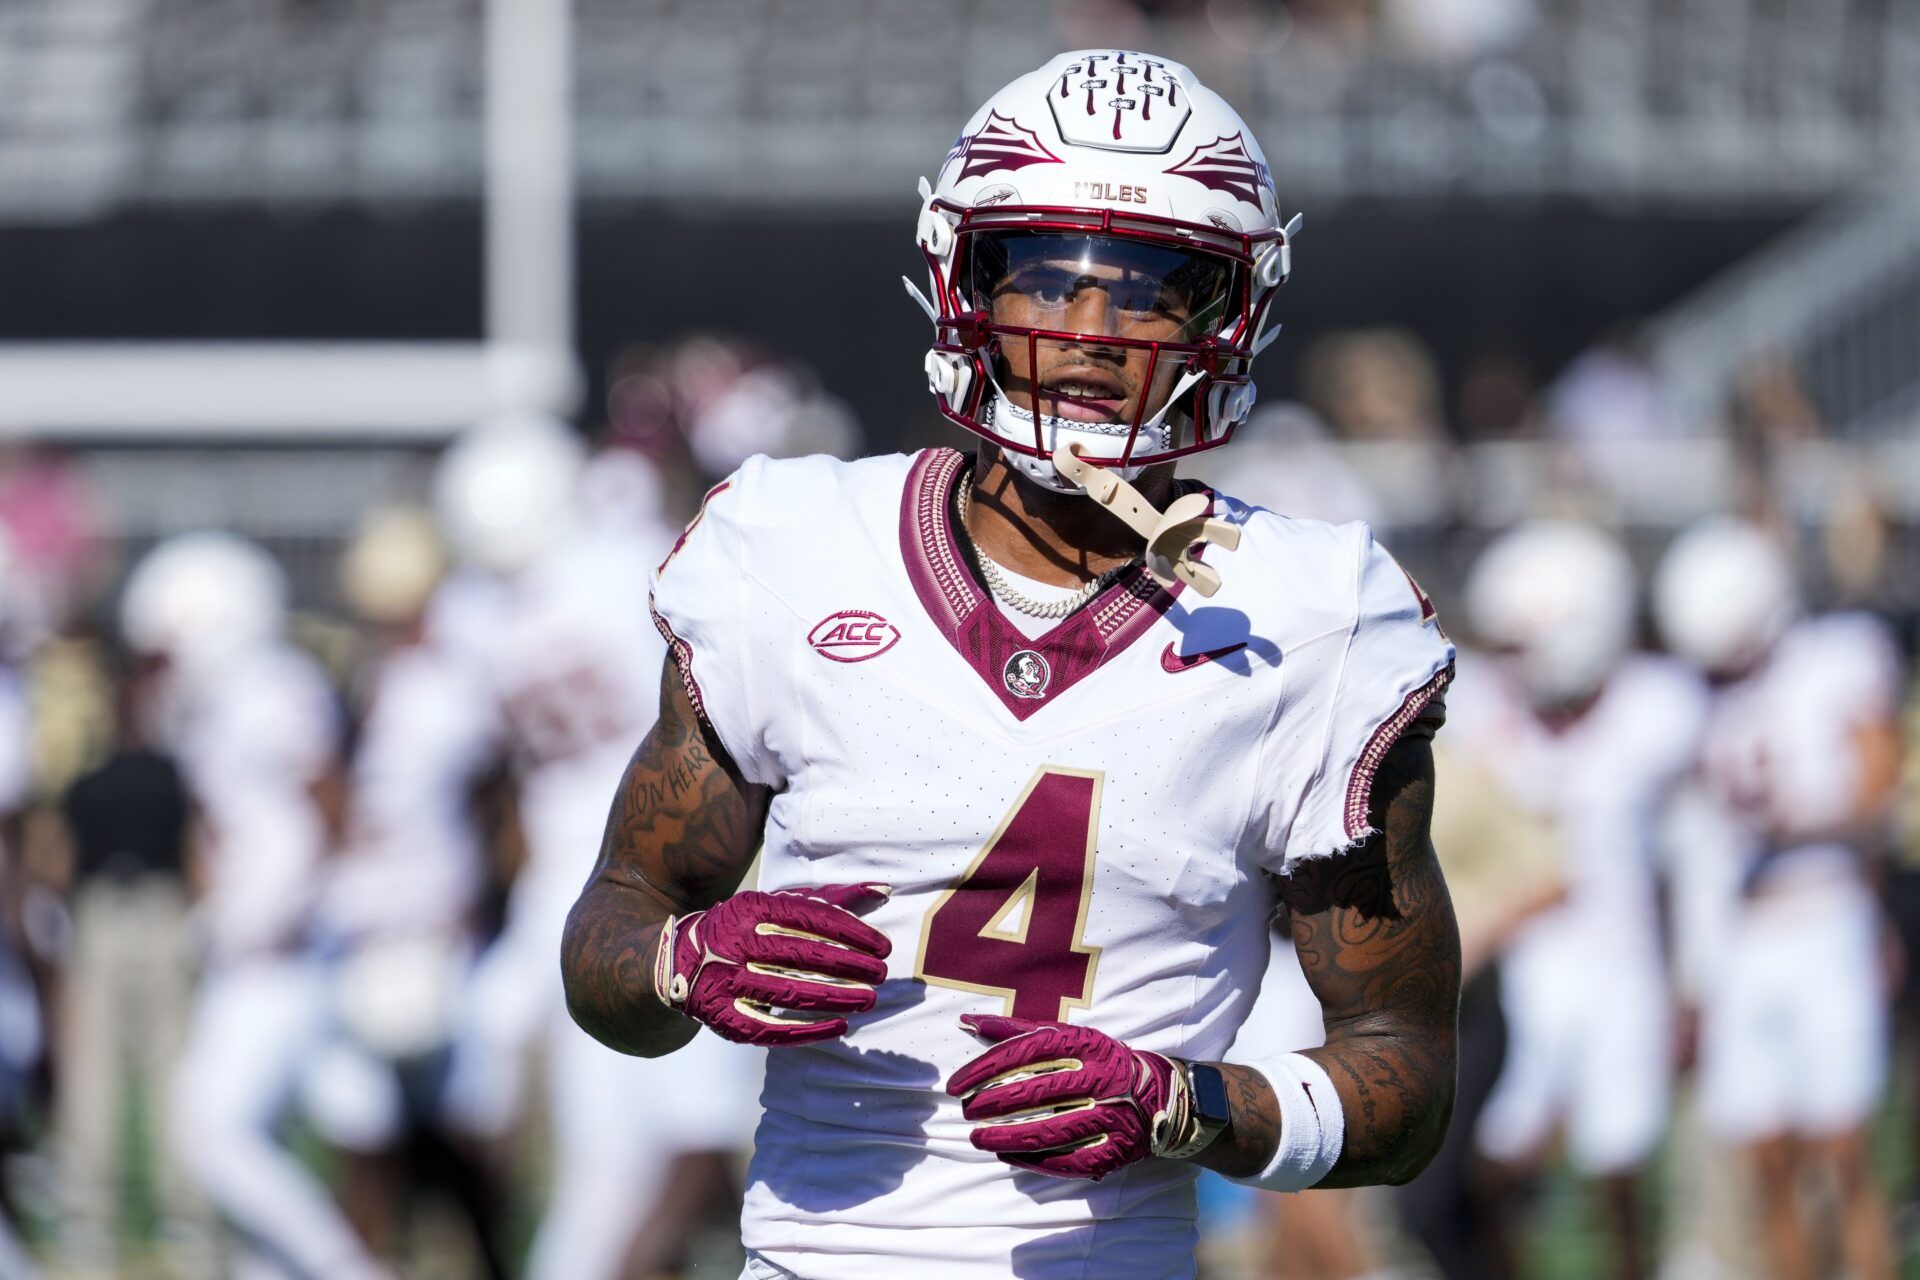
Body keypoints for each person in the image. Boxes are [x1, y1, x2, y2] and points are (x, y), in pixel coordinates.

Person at [563, 49, 1461, 1279]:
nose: (1090, 334)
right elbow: (611, 931)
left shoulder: (1309, 621)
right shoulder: (789, 551)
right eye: (1046, 277)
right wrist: (682, 961)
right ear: (963, 280)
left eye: (1149, 289)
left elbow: (1403, 1071)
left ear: (1226, 315)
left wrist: (1190, 1102)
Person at [437, 417, 758, 1280]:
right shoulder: (622, 565)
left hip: (576, 877)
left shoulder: (472, 612)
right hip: (672, 849)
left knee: (613, 1144)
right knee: (664, 1135)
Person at [121, 532, 391, 1280]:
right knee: (299, 1132)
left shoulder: (271, 687)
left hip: (286, 949)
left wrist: (291, 908)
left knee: (210, 1136)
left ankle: (349, 1268)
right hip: (260, 946)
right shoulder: (224, 700)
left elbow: (326, 804)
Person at [1451, 521, 1707, 1280]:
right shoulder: (1480, 708)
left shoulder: (1659, 709)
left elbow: (1692, 860)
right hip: (1524, 968)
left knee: (1618, 1168)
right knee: (1492, 1162)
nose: (1507, 662)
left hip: (1619, 959)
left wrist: (1691, 977)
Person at [1655, 518, 1901, 1280]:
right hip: (1740, 936)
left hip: (1824, 912)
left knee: (1844, 1154)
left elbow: (1881, 782)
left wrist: (1801, 819)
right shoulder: (1685, 694)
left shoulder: (1836, 658)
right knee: (1767, 1162)